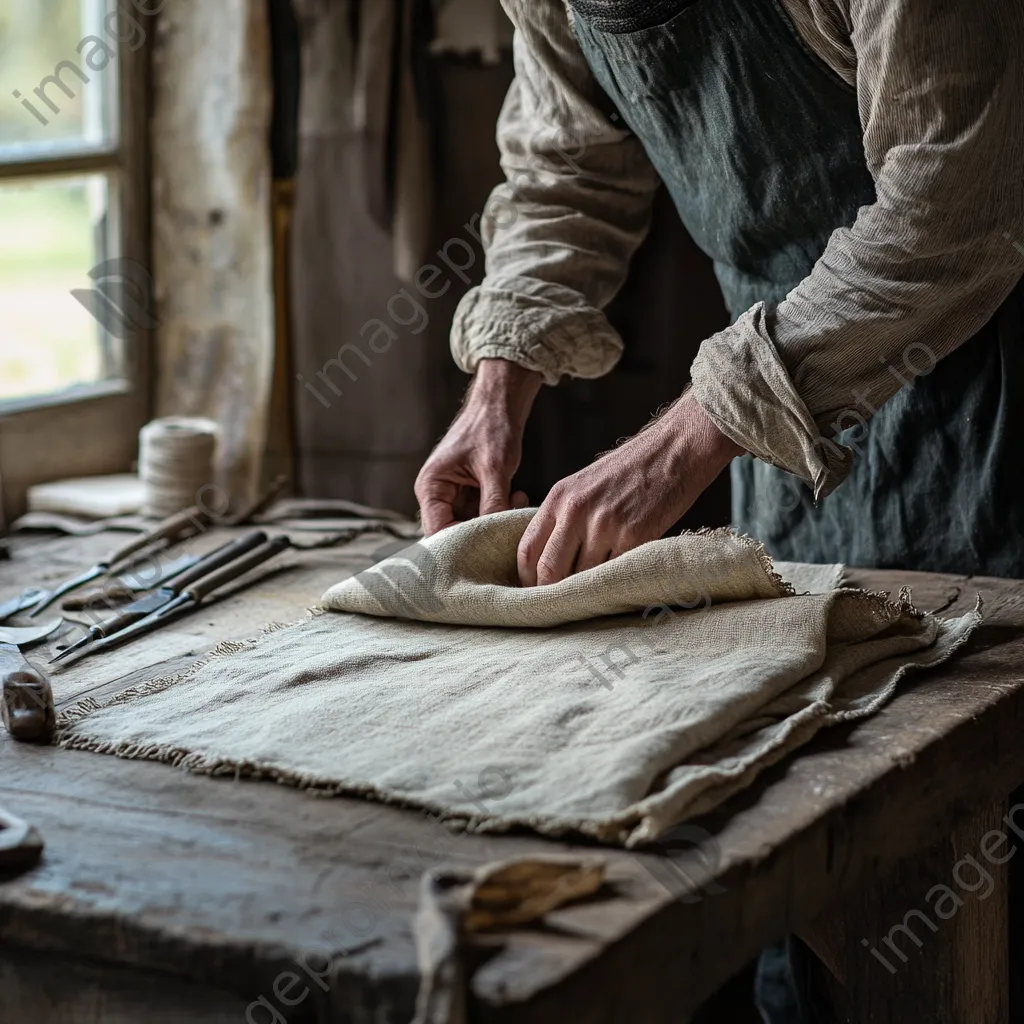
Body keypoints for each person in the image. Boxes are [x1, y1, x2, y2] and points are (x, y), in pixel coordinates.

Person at [414, 0, 1023, 1014]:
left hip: (992, 396)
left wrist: (680, 441)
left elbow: (957, 207)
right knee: (809, 820)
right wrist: (498, 382)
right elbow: (566, 166)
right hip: (785, 431)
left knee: (978, 846)